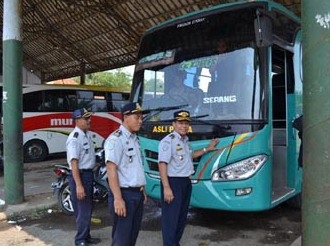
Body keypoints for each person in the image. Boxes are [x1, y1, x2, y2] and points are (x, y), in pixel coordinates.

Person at [158, 110, 219, 246]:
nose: (184, 126)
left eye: (186, 123)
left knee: (181, 218)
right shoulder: (168, 142)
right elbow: (162, 164)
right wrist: (167, 188)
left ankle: (175, 243)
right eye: (180, 123)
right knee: (171, 219)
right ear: (173, 124)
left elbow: (189, 155)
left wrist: (207, 149)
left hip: (185, 182)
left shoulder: (184, 140)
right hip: (173, 183)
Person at [104, 102, 148, 246]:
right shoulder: (116, 139)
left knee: (132, 237)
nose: (140, 121)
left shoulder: (135, 139)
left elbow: (136, 167)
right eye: (137, 117)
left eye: (141, 117)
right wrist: (118, 198)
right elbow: (111, 169)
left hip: (137, 194)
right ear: (125, 117)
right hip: (123, 195)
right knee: (121, 239)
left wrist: (143, 189)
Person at [66, 108, 101, 246]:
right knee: (83, 209)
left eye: (89, 118)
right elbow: (74, 163)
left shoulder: (85, 134)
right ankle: (80, 239)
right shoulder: (74, 138)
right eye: (86, 119)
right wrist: (79, 185)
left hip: (87, 174)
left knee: (88, 207)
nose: (89, 120)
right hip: (80, 176)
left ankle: (86, 236)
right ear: (77, 120)